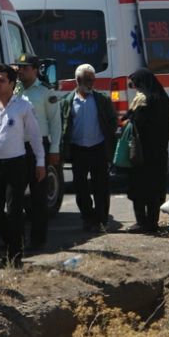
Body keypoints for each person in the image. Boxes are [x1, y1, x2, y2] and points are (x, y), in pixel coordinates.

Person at [0, 63, 44, 268]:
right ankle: (11, 242)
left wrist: (40, 163)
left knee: (14, 209)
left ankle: (15, 255)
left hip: (17, 163)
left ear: (12, 84)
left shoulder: (23, 106)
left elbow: (35, 136)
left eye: (1, 80)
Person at [11, 54, 61, 249]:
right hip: (16, 147)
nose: (20, 70)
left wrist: (55, 148)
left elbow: (55, 123)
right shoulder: (13, 89)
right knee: (14, 196)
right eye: (18, 67)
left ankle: (38, 239)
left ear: (35, 70)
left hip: (37, 146)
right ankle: (16, 240)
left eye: (24, 67)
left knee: (38, 195)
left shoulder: (45, 93)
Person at [60, 63, 116, 232]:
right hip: (78, 150)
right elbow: (63, 125)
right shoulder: (68, 102)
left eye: (93, 79)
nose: (91, 83)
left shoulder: (102, 100)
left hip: (98, 149)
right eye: (87, 79)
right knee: (81, 189)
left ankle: (101, 220)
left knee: (101, 188)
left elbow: (112, 122)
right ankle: (87, 217)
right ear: (78, 80)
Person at [125, 69, 169, 233]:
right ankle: (152, 222)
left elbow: (136, 123)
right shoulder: (164, 99)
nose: (136, 88)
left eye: (136, 84)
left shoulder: (144, 102)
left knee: (139, 187)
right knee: (155, 189)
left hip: (142, 155)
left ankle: (141, 222)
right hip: (159, 152)